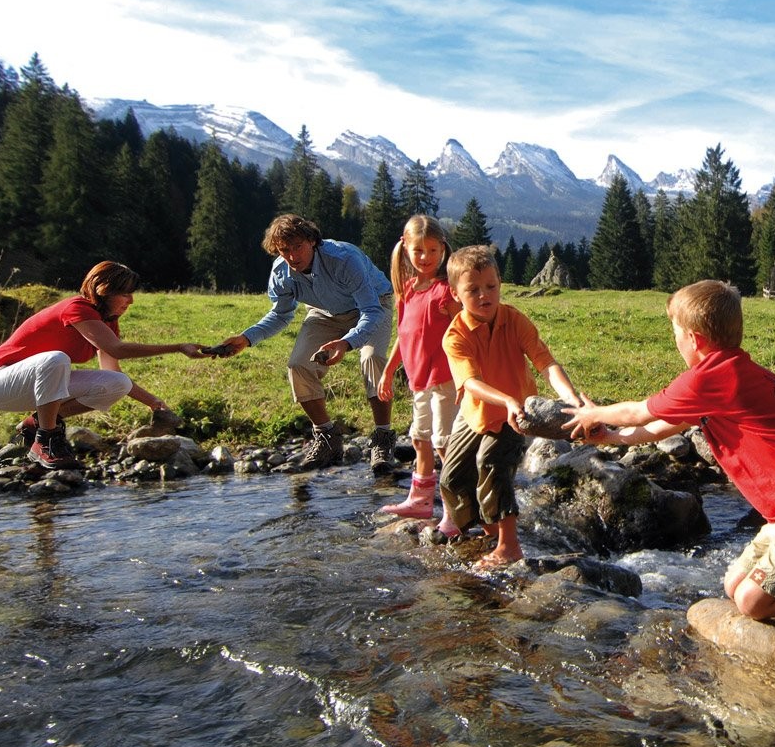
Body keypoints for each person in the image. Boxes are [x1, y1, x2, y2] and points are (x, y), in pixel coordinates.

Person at [566, 280, 775, 633]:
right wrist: (611, 437)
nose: (675, 342)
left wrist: (595, 414)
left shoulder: (709, 380)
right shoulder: (728, 374)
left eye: (675, 333)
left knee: (753, 601)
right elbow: (660, 427)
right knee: (735, 585)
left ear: (695, 339)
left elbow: (640, 413)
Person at [0, 261, 206, 470]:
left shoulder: (107, 321)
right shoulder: (77, 308)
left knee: (118, 383)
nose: (131, 301)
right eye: (125, 294)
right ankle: (46, 440)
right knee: (56, 358)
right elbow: (118, 349)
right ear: (103, 290)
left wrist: (153, 403)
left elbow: (112, 370)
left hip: (37, 387)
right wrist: (177, 347)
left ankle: (35, 425)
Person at [216, 214, 397, 474]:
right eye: (284, 250)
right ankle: (327, 437)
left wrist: (346, 343)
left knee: (371, 358)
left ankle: (382, 438)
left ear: (312, 241)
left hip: (373, 305)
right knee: (298, 365)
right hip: (323, 313)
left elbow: (371, 310)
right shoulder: (281, 272)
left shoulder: (344, 259)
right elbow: (280, 314)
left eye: (297, 247)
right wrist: (246, 339)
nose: (292, 256)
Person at [439, 244, 583, 569]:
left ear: (500, 282)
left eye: (491, 286)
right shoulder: (455, 335)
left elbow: (545, 363)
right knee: (452, 480)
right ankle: (489, 527)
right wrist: (502, 399)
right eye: (473, 290)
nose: (484, 295)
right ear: (455, 294)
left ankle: (510, 545)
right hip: (477, 410)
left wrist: (571, 398)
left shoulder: (515, 320)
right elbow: (470, 383)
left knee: (491, 463)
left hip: (516, 414)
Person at [376, 215, 461, 532]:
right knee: (419, 438)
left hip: (446, 381)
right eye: (419, 251)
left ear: (443, 250)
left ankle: (456, 508)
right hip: (420, 381)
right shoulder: (408, 290)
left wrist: (469, 377)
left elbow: (463, 335)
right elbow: (404, 334)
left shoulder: (445, 292)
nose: (425, 258)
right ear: (406, 249)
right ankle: (421, 500)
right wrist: (388, 370)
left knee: (444, 442)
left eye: (432, 251)